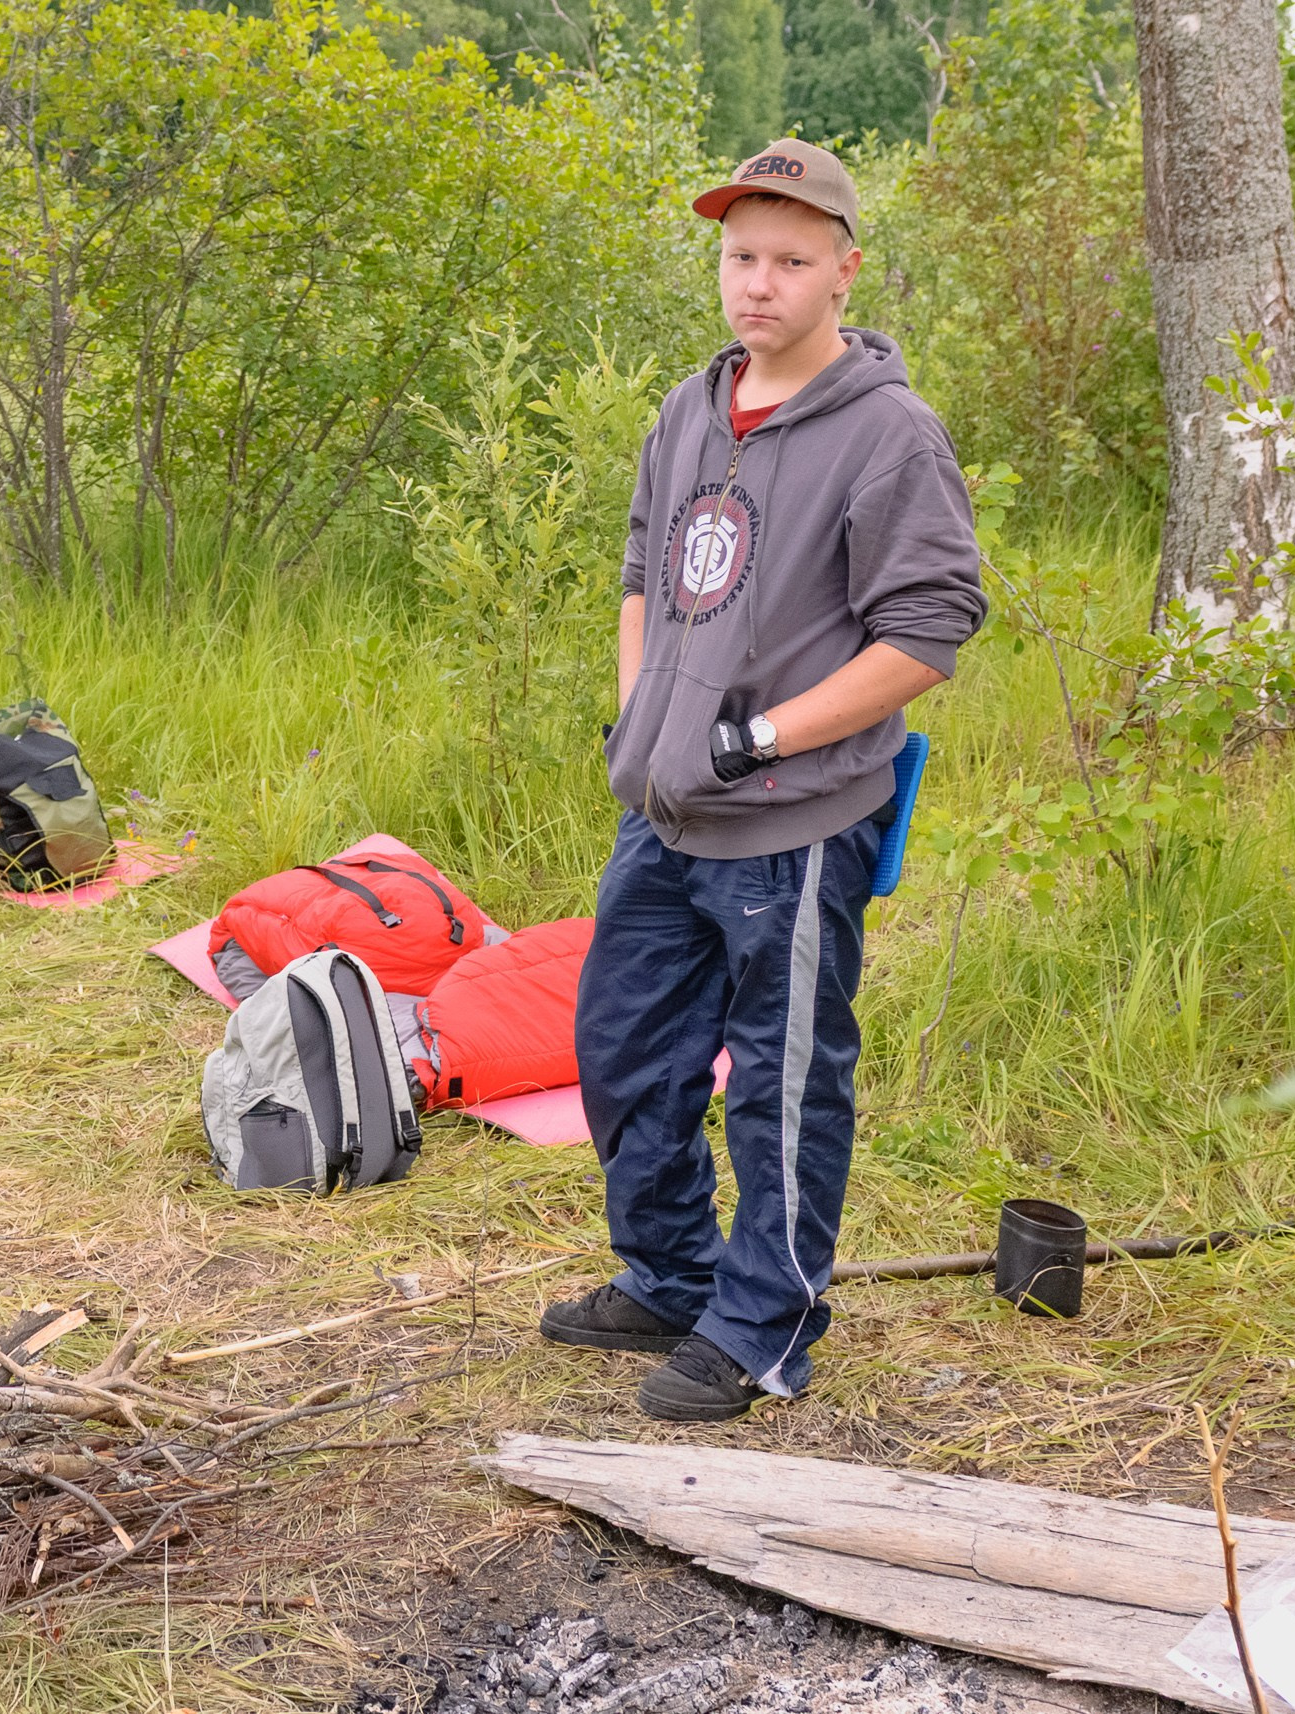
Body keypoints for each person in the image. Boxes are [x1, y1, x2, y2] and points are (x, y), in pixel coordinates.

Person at [539, 140, 987, 1421]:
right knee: (623, 1049)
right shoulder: (693, 403)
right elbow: (642, 569)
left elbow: (927, 634)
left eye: (791, 261)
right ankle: (671, 1279)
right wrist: (642, 716)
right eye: (742, 256)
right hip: (663, 810)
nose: (760, 283)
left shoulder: (888, 434)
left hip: (791, 824)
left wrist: (761, 738)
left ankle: (762, 1326)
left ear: (844, 272)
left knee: (781, 1082)